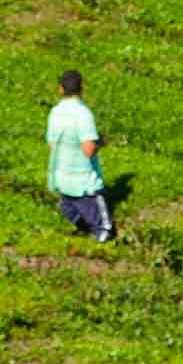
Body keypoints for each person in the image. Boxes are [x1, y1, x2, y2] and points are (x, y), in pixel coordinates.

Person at [46, 69, 113, 242]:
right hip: (85, 184)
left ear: (60, 89)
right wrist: (101, 142)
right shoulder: (83, 114)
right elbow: (88, 150)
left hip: (63, 181)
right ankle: (101, 240)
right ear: (82, 88)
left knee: (75, 218)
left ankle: (85, 232)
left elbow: (51, 145)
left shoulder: (55, 113)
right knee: (104, 230)